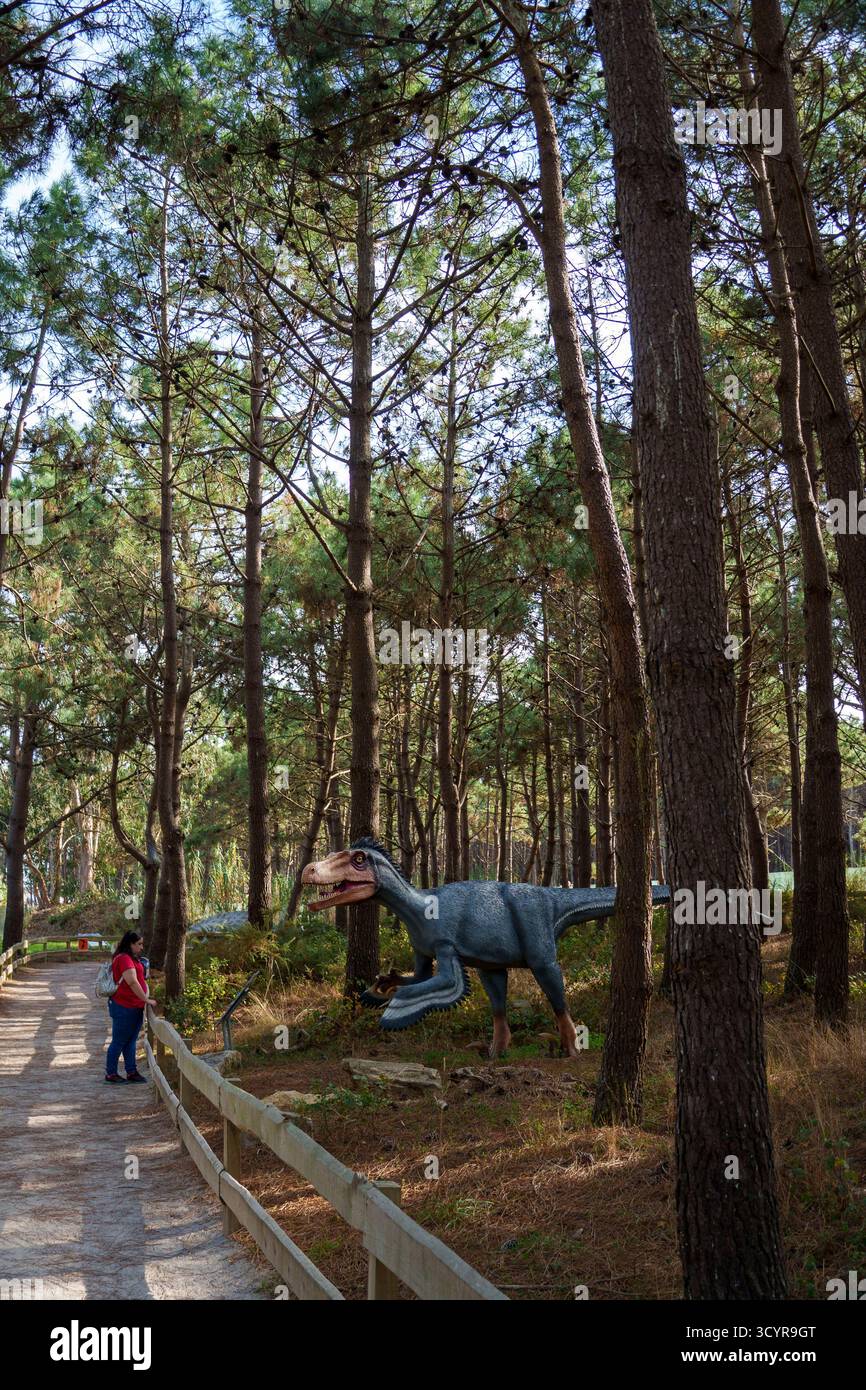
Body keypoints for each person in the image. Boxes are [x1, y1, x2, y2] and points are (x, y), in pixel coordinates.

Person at [105, 930, 149, 1083]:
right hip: (124, 1006)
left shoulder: (132, 958)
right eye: (139, 944)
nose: (141, 947)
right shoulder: (124, 959)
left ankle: (131, 1071)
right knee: (119, 1041)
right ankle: (111, 1073)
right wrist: (146, 999)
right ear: (130, 944)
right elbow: (132, 981)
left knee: (130, 1041)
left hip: (133, 1006)